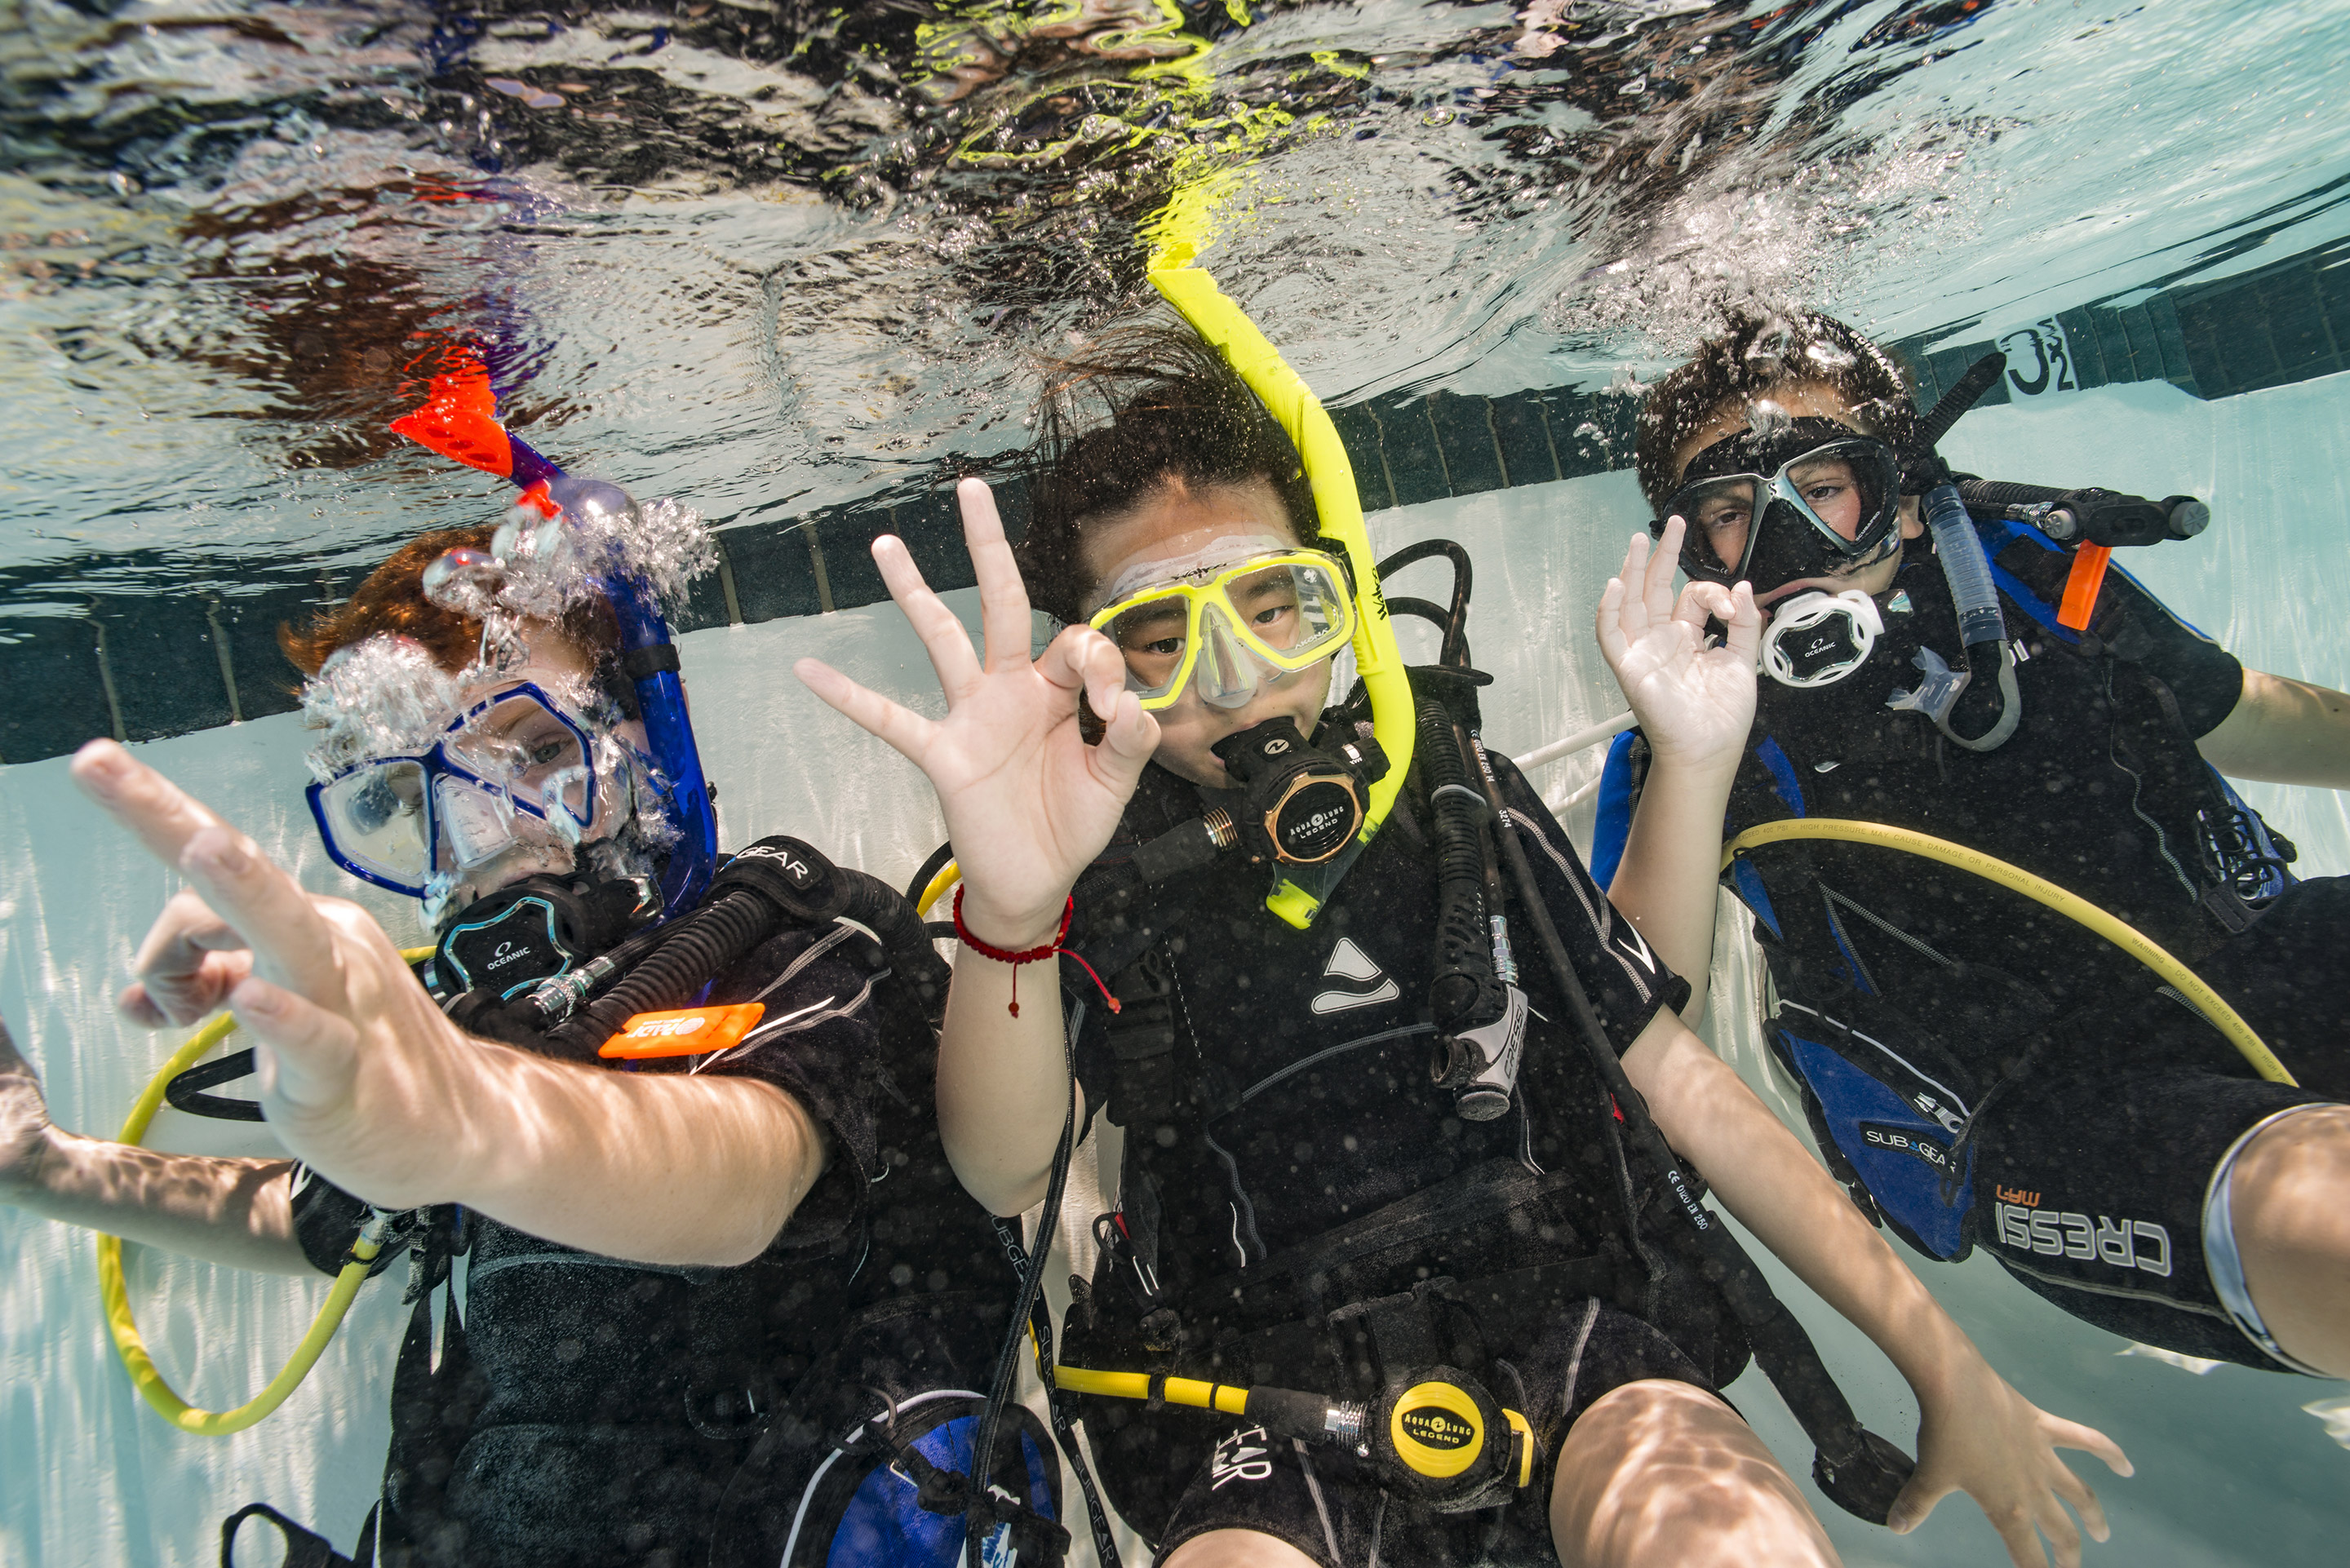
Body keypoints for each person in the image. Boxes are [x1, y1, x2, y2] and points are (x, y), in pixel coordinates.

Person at [797, 304, 2129, 1568]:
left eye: (1278, 607)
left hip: (1578, 1320)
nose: (1239, 679)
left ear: (1345, 604)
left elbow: (1680, 1083)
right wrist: (1016, 909)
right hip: (1251, 1395)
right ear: (1093, 673)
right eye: (1161, 640)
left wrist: (1940, 1360)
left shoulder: (1458, 798)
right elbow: (1004, 1171)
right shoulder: (1090, 867)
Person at [0, 481, 1051, 1567]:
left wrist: (470, 1122)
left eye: (534, 750)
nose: (485, 834)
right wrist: (43, 1166)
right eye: (421, 799)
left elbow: (748, 1175)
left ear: (646, 740)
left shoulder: (797, 932)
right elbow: (318, 1213)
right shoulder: (463, 1031)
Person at [1600, 307, 2350, 1388]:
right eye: (1727, 513)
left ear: (1902, 494)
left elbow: (2244, 714)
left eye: (1822, 489)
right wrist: (1692, 759)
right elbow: (1632, 1000)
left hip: (2244, 957)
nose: (1782, 549)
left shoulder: (2024, 577)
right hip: (2032, 1117)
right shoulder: (1687, 729)